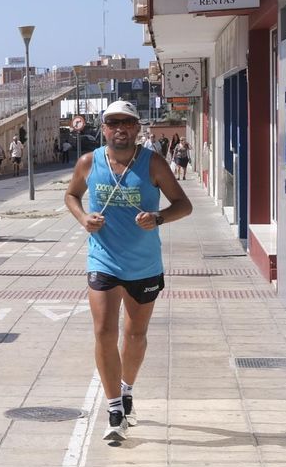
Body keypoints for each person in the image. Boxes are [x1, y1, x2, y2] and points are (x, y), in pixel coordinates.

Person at [64, 100, 192, 442]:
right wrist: (83, 219)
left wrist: (158, 218)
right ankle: (114, 406)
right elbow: (72, 196)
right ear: (103, 128)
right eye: (113, 122)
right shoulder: (89, 162)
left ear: (137, 128)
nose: (120, 128)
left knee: (135, 336)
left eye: (127, 122)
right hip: (103, 260)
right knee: (104, 331)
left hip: (143, 263)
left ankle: (126, 387)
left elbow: (184, 205)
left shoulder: (154, 164)